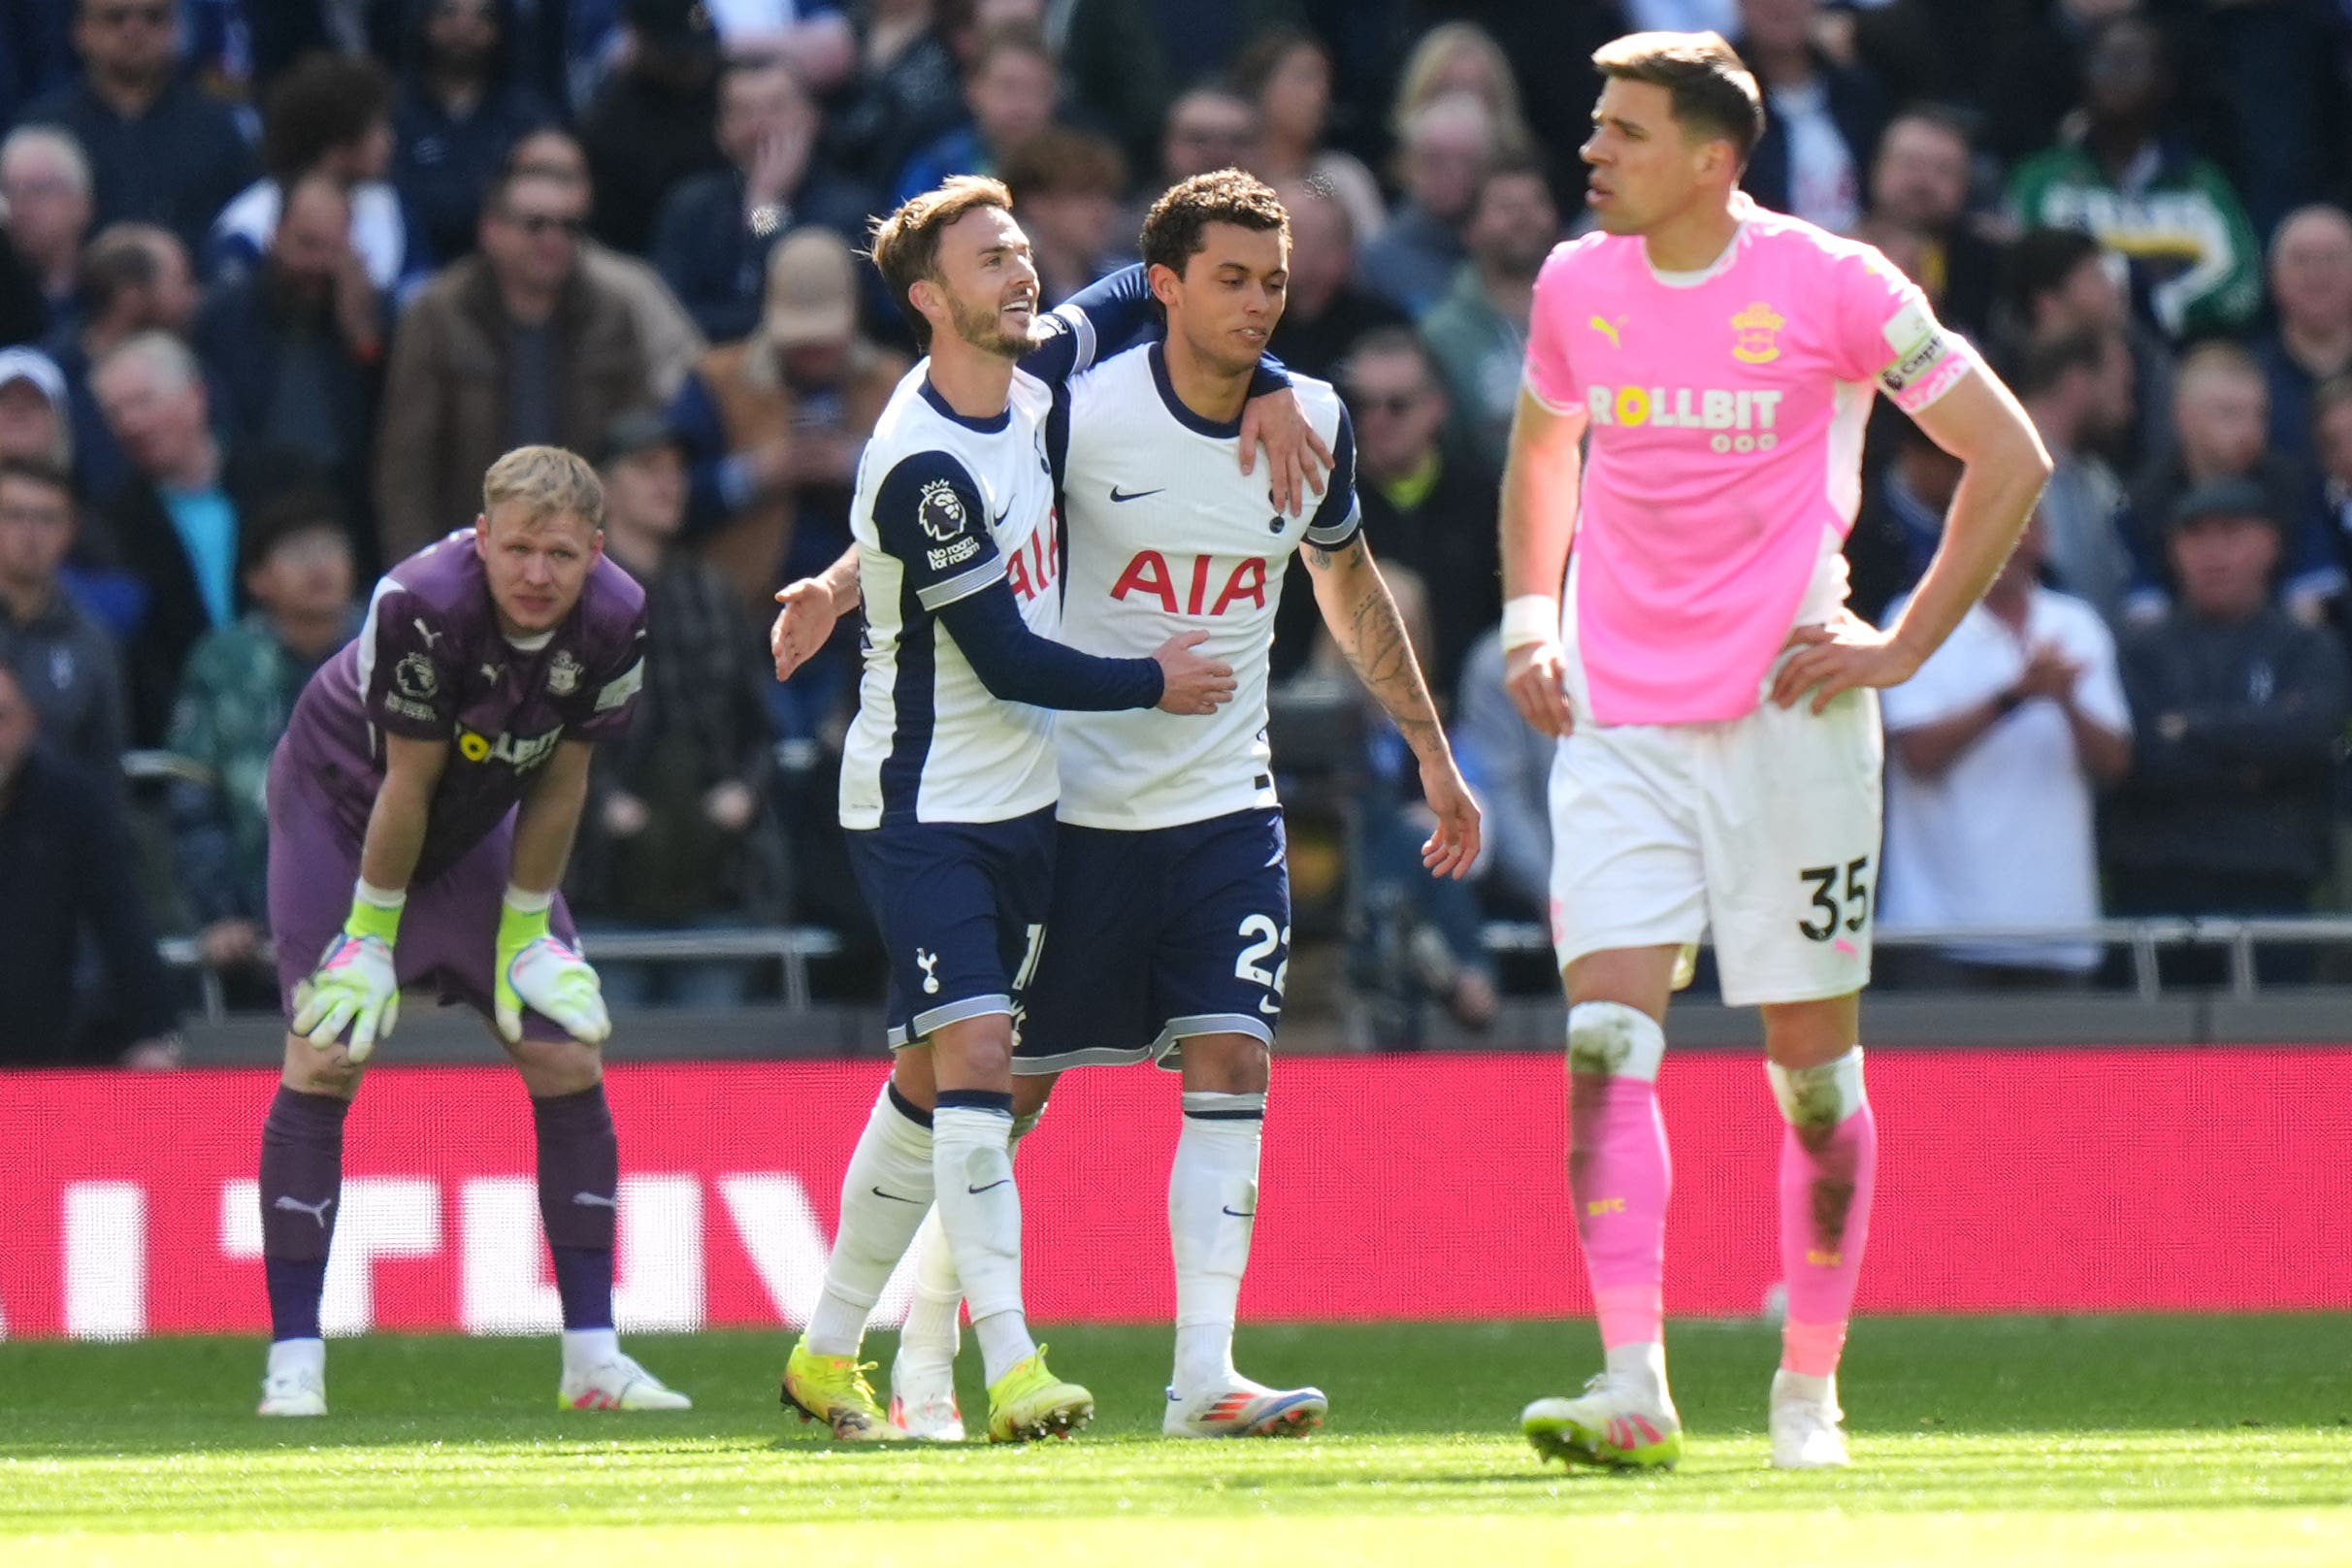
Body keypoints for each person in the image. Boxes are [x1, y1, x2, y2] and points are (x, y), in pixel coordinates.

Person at [1499, 32, 2048, 1473]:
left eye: (1622, 132)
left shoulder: (1836, 284)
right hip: (1617, 719)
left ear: (1710, 160)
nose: (1592, 152)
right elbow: (1546, 446)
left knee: (1811, 1076)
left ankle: (1809, 1391)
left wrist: (1906, 647)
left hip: (1791, 721)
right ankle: (1633, 1385)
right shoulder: (1574, 284)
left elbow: (2012, 455)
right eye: (1595, 127)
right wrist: (1525, 625)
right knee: (1604, 1043)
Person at [867, 171, 1482, 1442]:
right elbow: (952, 487)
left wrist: (1430, 753)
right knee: (1003, 1099)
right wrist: (835, 581)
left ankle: (1205, 1373)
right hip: (1068, 812)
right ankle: (925, 1364)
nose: (1260, 304)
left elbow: (1351, 588)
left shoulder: (1309, 417)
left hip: (1222, 810)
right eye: (1231, 279)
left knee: (1235, 1059)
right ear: (1165, 288)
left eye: (1274, 280)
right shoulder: (1078, 410)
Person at [763, 176, 1322, 1446]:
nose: (1025, 275)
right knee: (977, 1062)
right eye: (993, 261)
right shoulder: (921, 459)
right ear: (929, 301)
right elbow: (1008, 657)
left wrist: (1275, 376)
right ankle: (1007, 1365)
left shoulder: (1030, 375)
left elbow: (1143, 285)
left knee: (929, 1079)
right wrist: (1155, 680)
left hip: (1028, 796)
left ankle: (825, 1351)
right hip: (922, 807)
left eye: (1023, 251)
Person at [253, 444, 690, 1419]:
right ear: (482, 539)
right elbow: (406, 784)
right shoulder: (419, 600)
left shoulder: (618, 616)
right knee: (325, 1051)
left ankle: (592, 1357)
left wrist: (530, 931)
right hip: (344, 807)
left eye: (563, 555)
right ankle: (294, 1362)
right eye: (521, 549)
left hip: (480, 816)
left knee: (568, 1054)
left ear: (596, 552)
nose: (539, 575)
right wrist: (368, 936)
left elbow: (564, 776)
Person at [566, 409, 783, 1006]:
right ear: (603, 488)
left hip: (719, 888)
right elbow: (540, 733)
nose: (670, 482)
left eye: (677, 469)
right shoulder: (567, 603)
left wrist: (742, 794)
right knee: (609, 1074)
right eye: (647, 467)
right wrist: (602, 805)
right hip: (596, 891)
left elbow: (759, 729)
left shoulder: (713, 594)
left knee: (714, 1082)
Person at [1878, 515, 2131, 987]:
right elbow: (1919, 755)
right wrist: (2015, 696)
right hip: (1939, 937)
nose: (2008, 541)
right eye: (1994, 520)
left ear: (2044, 538)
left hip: (2060, 935)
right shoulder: (1912, 619)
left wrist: (2066, 699)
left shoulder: (2075, 623)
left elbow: (2114, 763)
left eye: (2024, 525)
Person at [2106, 478, 2349, 951]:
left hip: (2273, 881)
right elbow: (2132, 755)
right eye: (2194, 535)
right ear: (2173, 549)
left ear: (2271, 544)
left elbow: (2310, 732)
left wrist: (2190, 728)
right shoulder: (2138, 652)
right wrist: (2253, 759)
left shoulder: (2306, 648)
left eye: (2231, 532)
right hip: (2153, 883)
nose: (2212, 552)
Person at [375, 164, 655, 563]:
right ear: (491, 231)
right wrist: (418, 568)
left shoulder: (610, 316)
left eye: (568, 227)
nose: (553, 240)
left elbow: (634, 444)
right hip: (466, 553)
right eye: (536, 225)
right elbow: (407, 464)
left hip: (577, 555)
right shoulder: (438, 315)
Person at [165, 490, 360, 996]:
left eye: (331, 548)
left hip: (386, 923)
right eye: (297, 552)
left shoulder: (399, 649)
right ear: (257, 579)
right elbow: (194, 801)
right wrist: (221, 912)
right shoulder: (223, 663)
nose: (319, 565)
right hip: (257, 927)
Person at [669, 227, 909, 624]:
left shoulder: (892, 382)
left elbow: (931, 488)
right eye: (801, 343)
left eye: (824, 341)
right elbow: (676, 496)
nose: (812, 354)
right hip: (742, 615)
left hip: (867, 616)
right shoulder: (716, 379)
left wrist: (853, 465)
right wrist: (756, 473)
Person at [89, 331, 310, 746]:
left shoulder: (286, 482)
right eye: (114, 414)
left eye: (142, 401)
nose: (130, 423)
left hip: (306, 711)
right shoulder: (109, 525)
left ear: (196, 396)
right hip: (184, 737)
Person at [2005, 13, 2262, 341]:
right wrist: (2148, 272)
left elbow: (2240, 286)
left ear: (2165, 81)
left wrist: (2154, 306)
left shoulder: (2203, 185)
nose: (2116, 74)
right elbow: (2032, 277)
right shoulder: (2039, 180)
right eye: (2103, 60)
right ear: (2082, 74)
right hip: (2065, 352)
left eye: (2132, 61)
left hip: (2181, 355)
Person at [0, 656, 180, 1068]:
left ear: (30, 723)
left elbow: (121, 917)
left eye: (1, 718)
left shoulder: (71, 802)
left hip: (44, 1044)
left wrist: (151, 1032)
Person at [649, 60, 872, 343]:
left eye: (776, 108)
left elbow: (805, 312)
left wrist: (766, 210)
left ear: (812, 118)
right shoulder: (690, 206)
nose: (761, 127)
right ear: (721, 131)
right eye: (744, 113)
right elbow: (671, 314)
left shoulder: (851, 209)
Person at [16, 0, 255, 258]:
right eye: (116, 18)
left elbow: (244, 224)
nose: (134, 30)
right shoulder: (43, 131)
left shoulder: (218, 131)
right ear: (81, 30)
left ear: (177, 29)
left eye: (153, 17)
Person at [207, 52, 418, 296]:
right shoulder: (246, 226)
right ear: (339, 142)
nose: (389, 141)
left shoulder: (391, 209)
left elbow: (417, 299)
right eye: (378, 128)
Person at [391, 0, 558, 270]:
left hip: (508, 266)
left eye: (483, 16)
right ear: (423, 21)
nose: (464, 27)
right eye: (448, 13)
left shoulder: (529, 117)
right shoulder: (392, 111)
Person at [1420, 156, 1559, 476]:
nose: (1524, 218)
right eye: (1506, 207)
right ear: (1471, 230)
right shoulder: (1442, 334)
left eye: (1536, 203)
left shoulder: (1593, 316)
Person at [0, 456, 126, 776]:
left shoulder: (91, 638)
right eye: (15, 516)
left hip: (57, 819)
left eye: (47, 519)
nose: (31, 534)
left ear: (70, 531)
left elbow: (105, 763)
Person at [2252, 206, 2352, 481]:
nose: (2317, 273)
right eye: (2301, 260)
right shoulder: (2249, 377)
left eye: (2332, 259)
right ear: (2272, 276)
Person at [0, 127, 96, 335]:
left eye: (39, 189)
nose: (20, 207)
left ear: (81, 203)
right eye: (8, 191)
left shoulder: (106, 298)